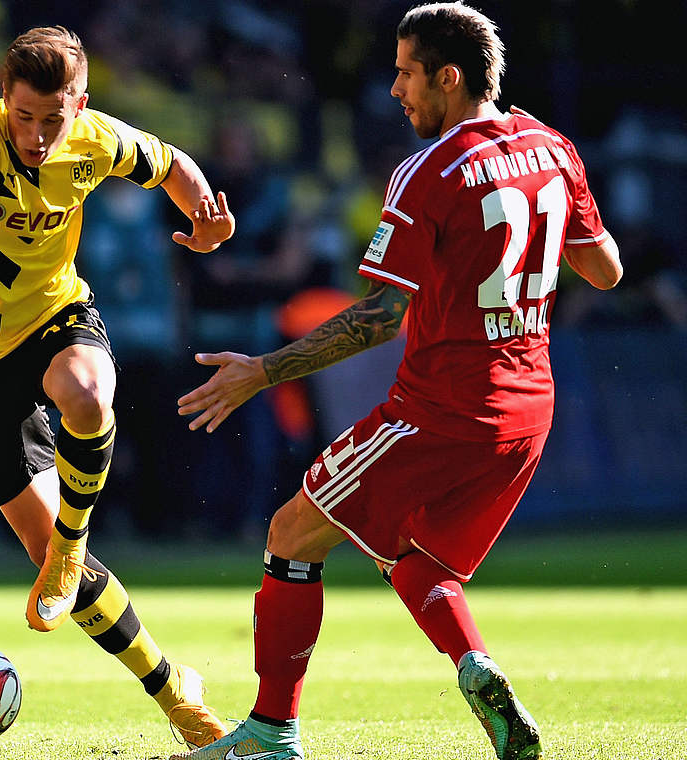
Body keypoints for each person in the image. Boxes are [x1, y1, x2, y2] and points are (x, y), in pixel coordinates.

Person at [171, 4, 622, 759]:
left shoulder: (428, 171)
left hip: (441, 408)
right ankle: (474, 662)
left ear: (450, 77)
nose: (393, 89)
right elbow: (604, 271)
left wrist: (263, 371)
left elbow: (379, 317)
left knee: (291, 535)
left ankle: (271, 735)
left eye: (407, 72)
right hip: (527, 412)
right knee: (410, 556)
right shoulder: (554, 145)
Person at [0, 26, 235, 748]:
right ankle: (175, 691)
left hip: (56, 315)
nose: (34, 134)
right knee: (40, 549)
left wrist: (203, 213)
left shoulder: (96, 137)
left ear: (78, 105)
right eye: (23, 116)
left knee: (86, 396)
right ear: (4, 97)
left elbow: (171, 162)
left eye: (52, 119)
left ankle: (73, 544)